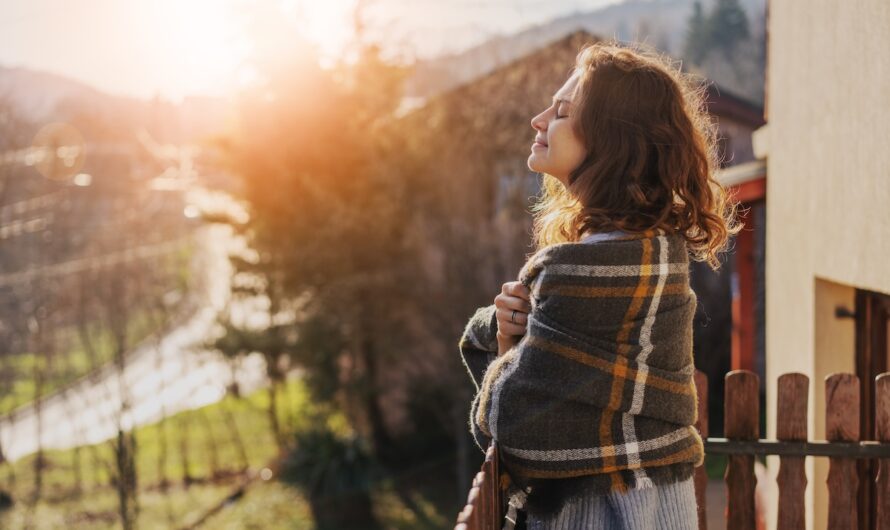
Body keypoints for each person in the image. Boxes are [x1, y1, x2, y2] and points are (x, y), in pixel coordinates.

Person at [459, 41, 740, 529]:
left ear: (609, 140)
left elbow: (512, 423)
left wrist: (504, 347)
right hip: (661, 509)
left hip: (595, 516)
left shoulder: (575, 271)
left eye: (563, 111)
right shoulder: (662, 251)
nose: (539, 119)